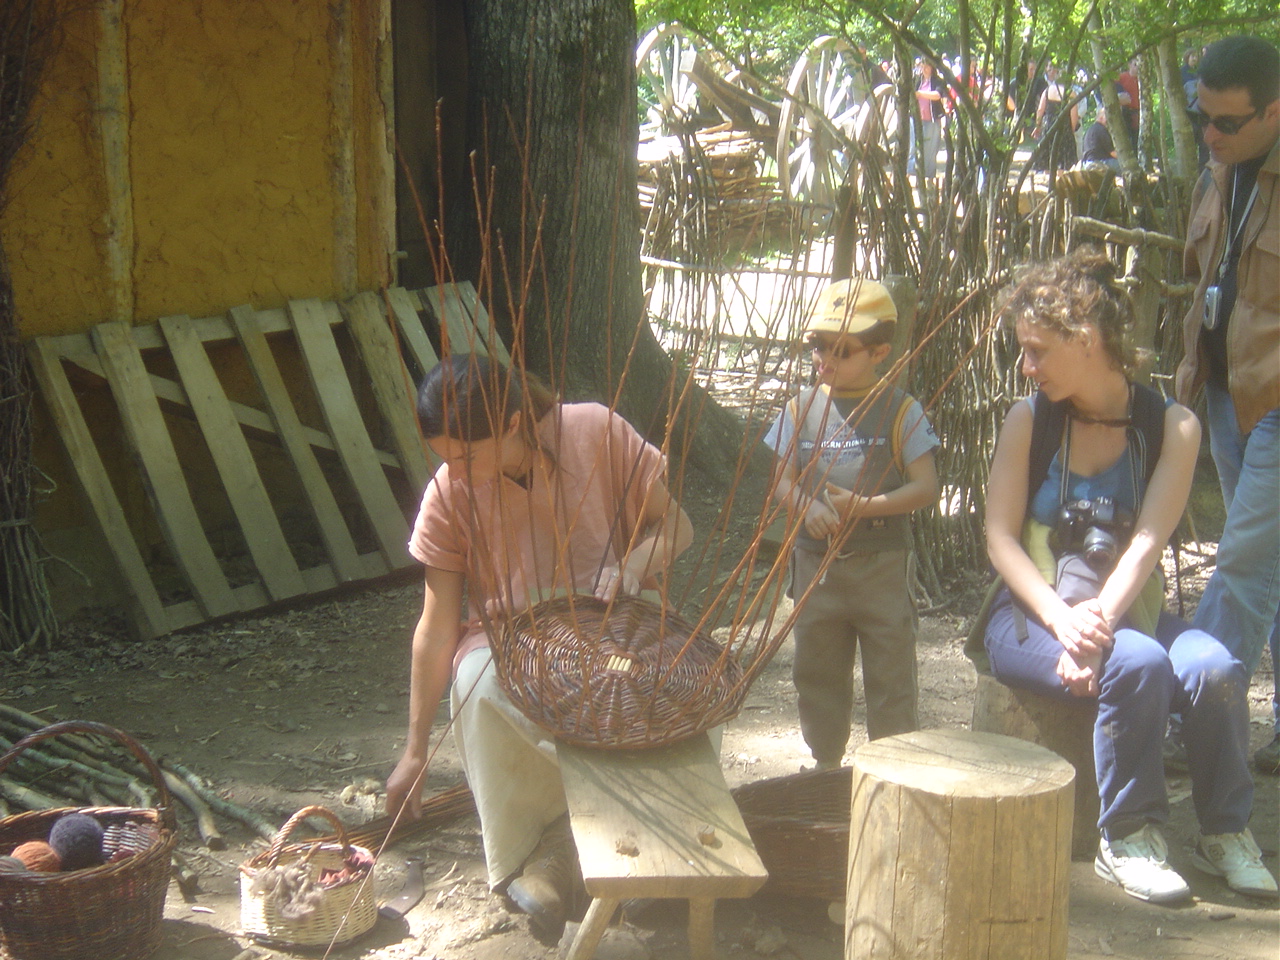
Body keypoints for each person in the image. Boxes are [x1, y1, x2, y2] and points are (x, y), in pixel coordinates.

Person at [983, 247, 1276, 903]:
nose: (1025, 367)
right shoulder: (1029, 419)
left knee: (1216, 667)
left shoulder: (1173, 425)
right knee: (1137, 664)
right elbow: (1000, 539)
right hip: (1031, 614)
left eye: (1036, 350)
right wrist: (1065, 623)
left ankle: (1225, 830)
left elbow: (1148, 540)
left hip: (1124, 609)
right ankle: (1130, 835)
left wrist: (1099, 624)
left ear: (1087, 340)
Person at [385, 354, 694, 939]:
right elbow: (436, 625)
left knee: (674, 680)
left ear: (513, 422)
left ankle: (604, 852)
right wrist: (416, 748)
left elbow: (676, 525)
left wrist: (636, 563)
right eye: (444, 455)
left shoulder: (594, 431)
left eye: (467, 454)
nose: (454, 469)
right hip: (512, 635)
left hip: (617, 620)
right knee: (480, 685)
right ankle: (548, 851)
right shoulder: (450, 491)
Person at [764, 279, 940, 769]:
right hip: (816, 567)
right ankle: (825, 766)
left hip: (882, 566)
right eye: (818, 345)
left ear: (879, 351)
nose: (825, 358)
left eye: (841, 349)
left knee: (890, 673)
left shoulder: (901, 411)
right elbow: (780, 478)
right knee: (816, 671)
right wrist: (806, 506)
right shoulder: (801, 409)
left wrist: (864, 505)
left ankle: (893, 769)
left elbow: (926, 488)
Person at [1177, 35, 1280, 774]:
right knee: (1269, 560)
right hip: (1221, 391)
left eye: (1226, 122)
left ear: (1275, 110)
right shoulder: (1216, 173)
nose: (1209, 135)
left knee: (1242, 560)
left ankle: (1188, 716)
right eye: (1198, 117)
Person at [1034, 64, 1079, 170]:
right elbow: (1074, 115)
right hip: (1064, 127)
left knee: (1047, 160)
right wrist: (1071, 130)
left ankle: (1047, 179)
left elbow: (1040, 110)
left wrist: (1038, 126)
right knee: (1064, 162)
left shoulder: (1047, 91)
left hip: (1048, 125)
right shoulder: (1071, 93)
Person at [908, 60, 944, 180]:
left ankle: (929, 177)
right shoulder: (917, 80)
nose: (925, 68)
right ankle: (911, 173)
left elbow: (937, 95)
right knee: (913, 147)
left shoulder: (938, 81)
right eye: (923, 65)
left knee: (930, 150)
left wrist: (920, 94)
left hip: (931, 121)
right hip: (916, 119)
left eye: (928, 65)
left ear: (932, 67)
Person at [1079, 106, 1119, 172]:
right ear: (1101, 118)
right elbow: (1113, 153)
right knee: (1124, 166)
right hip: (1098, 163)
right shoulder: (1101, 130)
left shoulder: (1090, 129)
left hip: (1087, 164)